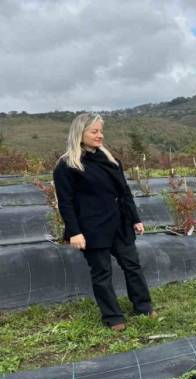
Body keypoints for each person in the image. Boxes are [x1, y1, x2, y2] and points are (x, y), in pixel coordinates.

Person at [53, 112, 154, 331]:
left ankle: (143, 306)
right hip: (91, 229)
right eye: (94, 131)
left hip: (119, 224)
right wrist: (74, 232)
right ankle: (113, 317)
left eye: (101, 131)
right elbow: (66, 203)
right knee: (102, 273)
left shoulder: (111, 160)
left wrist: (135, 219)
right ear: (80, 133)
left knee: (132, 265)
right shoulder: (67, 165)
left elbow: (125, 192)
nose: (100, 135)